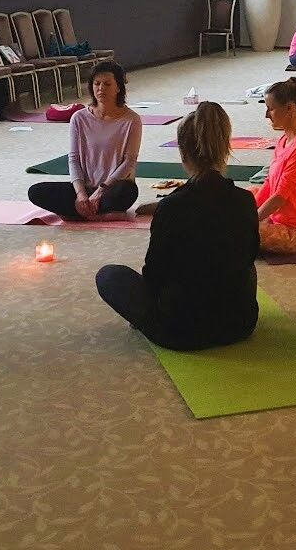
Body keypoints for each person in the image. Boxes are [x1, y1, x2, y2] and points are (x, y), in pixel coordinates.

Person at [95, 102, 258, 350]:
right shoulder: (245, 200)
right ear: (225, 148)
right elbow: (249, 257)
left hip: (180, 331)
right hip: (240, 324)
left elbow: (154, 275)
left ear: (183, 154)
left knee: (109, 276)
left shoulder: (171, 207)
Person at [27, 61, 141, 221]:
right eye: (97, 83)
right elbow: (74, 159)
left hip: (111, 188)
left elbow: (129, 162)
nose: (101, 88)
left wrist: (100, 191)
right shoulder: (79, 118)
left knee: (128, 191)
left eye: (107, 84)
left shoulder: (132, 120)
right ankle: (98, 214)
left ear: (118, 88)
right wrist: (80, 194)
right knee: (35, 191)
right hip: (84, 188)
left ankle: (79, 213)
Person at [256, 78, 296, 255]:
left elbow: (280, 197)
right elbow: (269, 184)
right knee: (245, 196)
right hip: (276, 220)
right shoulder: (284, 140)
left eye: (271, 108)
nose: (266, 115)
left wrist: (248, 222)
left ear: (290, 108)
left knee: (239, 232)